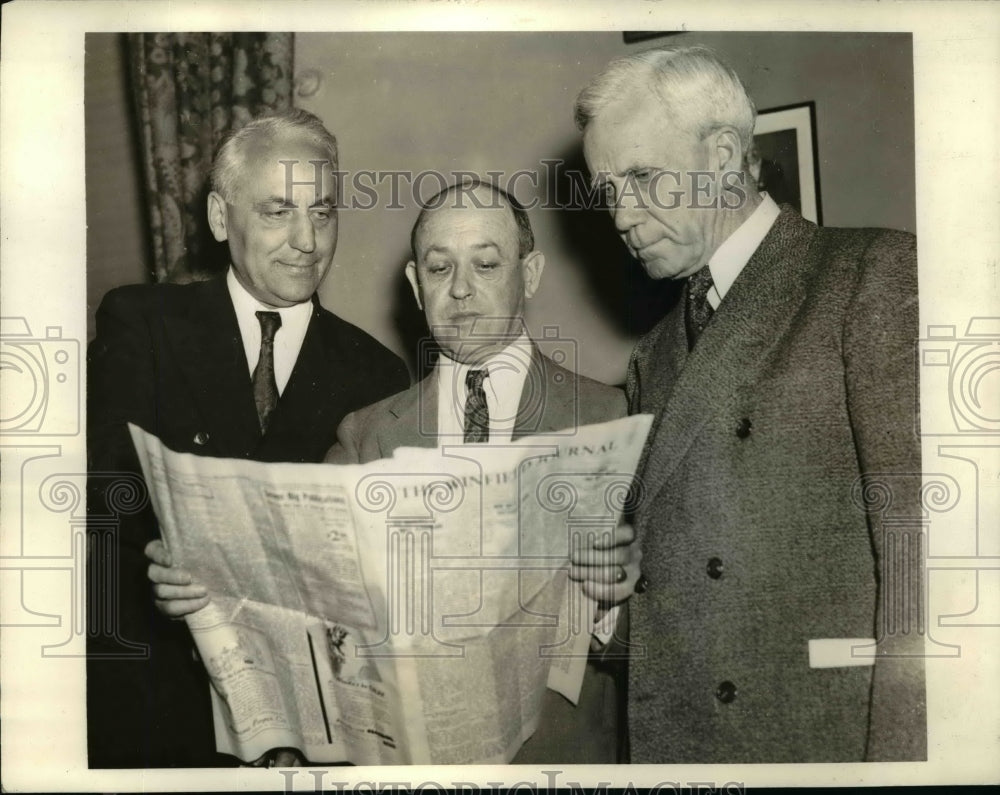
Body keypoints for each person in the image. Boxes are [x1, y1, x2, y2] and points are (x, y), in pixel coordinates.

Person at [150, 179, 637, 764]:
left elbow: (681, 619)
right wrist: (210, 584)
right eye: (439, 269)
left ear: (529, 274)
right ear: (414, 284)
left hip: (559, 763)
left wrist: (612, 602)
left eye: (486, 264)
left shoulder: (612, 415)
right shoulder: (368, 432)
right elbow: (300, 610)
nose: (461, 289)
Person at [574, 45, 925, 762]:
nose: (621, 216)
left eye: (642, 178)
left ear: (724, 153)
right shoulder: (656, 352)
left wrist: (914, 765)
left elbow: (928, 566)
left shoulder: (869, 277)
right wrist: (612, 599)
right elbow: (685, 586)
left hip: (821, 741)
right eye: (609, 191)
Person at [87, 108, 409, 768]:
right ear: (217, 218)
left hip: (311, 731)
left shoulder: (377, 371)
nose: (306, 239)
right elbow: (102, 503)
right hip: (161, 713)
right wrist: (155, 560)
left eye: (322, 212)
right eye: (275, 212)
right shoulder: (143, 323)